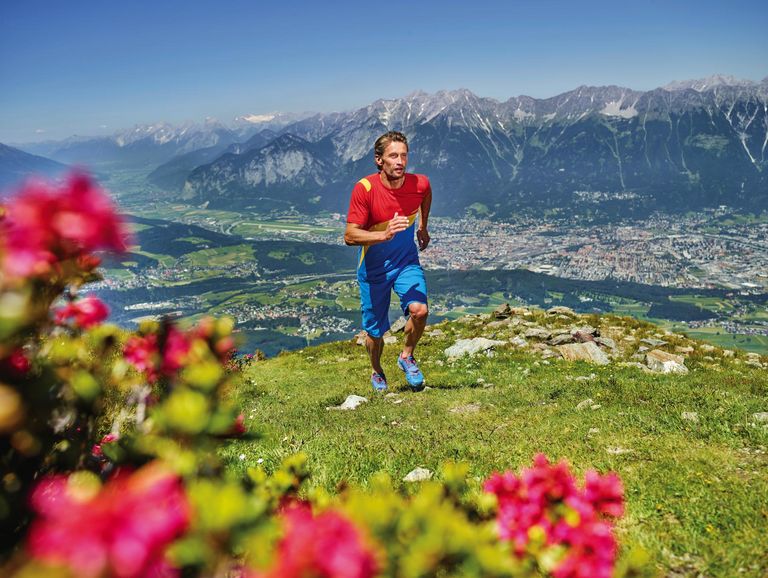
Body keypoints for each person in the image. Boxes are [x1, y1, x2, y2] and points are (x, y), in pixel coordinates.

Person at [344, 130, 432, 391]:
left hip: (406, 262)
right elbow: (349, 235)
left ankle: (406, 356)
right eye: (393, 156)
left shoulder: (419, 183)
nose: (400, 161)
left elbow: (425, 195)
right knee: (374, 333)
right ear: (379, 160)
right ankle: (376, 369)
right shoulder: (365, 189)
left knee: (420, 311)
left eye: (404, 156)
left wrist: (423, 226)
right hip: (374, 269)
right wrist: (384, 234)